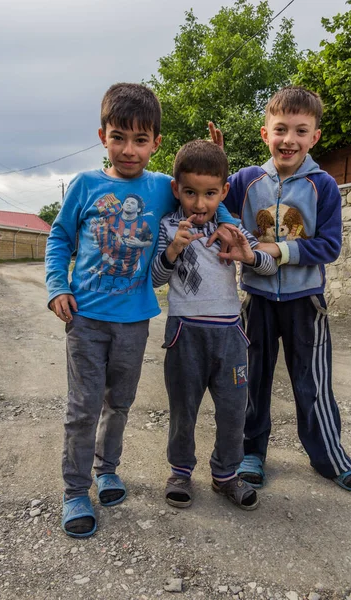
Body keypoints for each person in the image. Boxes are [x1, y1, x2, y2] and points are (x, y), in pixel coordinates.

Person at [45, 83, 238, 538]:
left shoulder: (162, 188)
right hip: (86, 318)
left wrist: (228, 221)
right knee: (82, 407)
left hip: (134, 321)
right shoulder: (85, 186)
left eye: (140, 139)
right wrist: (57, 287)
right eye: (118, 137)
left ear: (156, 143)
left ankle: (107, 468)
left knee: (120, 403)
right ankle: (75, 491)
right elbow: (59, 239)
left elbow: (204, 199)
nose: (128, 150)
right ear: (102, 136)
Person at [214, 86, 351, 492]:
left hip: (305, 302)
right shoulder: (244, 180)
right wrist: (217, 162)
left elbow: (328, 246)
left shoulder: (324, 186)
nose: (289, 140)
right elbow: (214, 201)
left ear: (314, 137)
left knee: (311, 381)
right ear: (265, 134)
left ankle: (328, 454)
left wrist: (275, 249)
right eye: (280, 129)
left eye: (301, 131)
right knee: (250, 378)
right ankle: (250, 452)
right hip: (256, 299)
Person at [151, 140, 278, 511]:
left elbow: (269, 267)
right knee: (183, 409)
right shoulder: (168, 226)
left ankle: (225, 474)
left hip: (230, 336)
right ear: (177, 190)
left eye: (210, 194)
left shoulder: (233, 227)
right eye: (190, 193)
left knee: (233, 409)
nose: (200, 203)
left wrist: (248, 254)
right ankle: (180, 472)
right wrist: (172, 250)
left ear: (223, 191)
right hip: (183, 333)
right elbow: (157, 278)